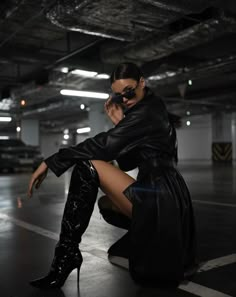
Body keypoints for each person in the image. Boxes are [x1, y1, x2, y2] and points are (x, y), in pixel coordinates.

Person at [28, 62, 197, 289]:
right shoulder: (149, 108)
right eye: (118, 96)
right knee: (105, 201)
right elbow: (129, 161)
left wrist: (53, 160)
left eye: (129, 92)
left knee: (87, 166)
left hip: (161, 193)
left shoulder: (147, 110)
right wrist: (121, 123)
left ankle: (65, 258)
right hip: (162, 191)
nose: (124, 100)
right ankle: (67, 255)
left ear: (142, 83)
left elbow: (104, 146)